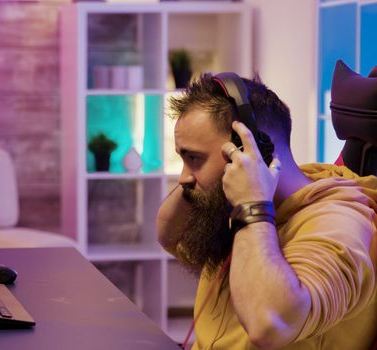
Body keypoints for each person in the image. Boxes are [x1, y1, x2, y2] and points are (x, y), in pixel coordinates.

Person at [156, 73, 377, 349]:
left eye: (194, 159)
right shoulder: (233, 200)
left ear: (255, 150)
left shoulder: (340, 224)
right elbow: (170, 234)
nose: (184, 178)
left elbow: (271, 325)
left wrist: (252, 206)